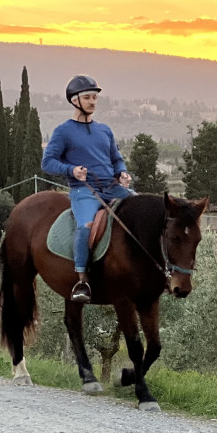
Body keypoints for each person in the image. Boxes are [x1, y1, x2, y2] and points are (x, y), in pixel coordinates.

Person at [42, 74, 134, 303]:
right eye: (88, 97)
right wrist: (72, 170)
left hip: (112, 187)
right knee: (86, 226)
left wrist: (122, 172)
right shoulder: (63, 131)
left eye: (95, 97)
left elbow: (117, 158)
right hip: (84, 191)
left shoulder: (105, 130)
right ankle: (82, 281)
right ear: (75, 101)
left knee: (141, 211)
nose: (93, 101)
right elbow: (47, 162)